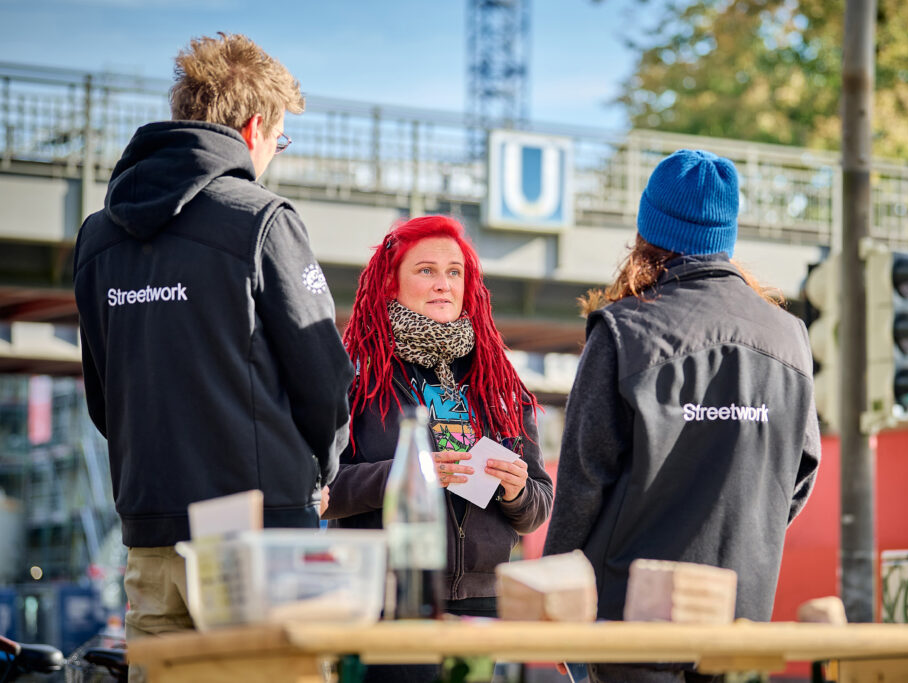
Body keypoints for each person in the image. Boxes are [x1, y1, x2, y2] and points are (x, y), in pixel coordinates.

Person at [72, 33, 354, 677]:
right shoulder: (260, 220)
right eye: (280, 141)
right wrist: (318, 475)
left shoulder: (97, 237)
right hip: (258, 540)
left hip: (150, 534)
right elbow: (324, 376)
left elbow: (104, 398)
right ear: (256, 127)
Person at [543, 149, 821, 683]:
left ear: (650, 230)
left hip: (631, 623)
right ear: (726, 235)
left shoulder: (626, 331)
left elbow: (583, 480)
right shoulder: (790, 339)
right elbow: (799, 475)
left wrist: (560, 606)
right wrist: (741, 532)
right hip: (741, 618)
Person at [324, 214, 553, 682]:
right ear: (391, 283)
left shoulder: (498, 382)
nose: (443, 284)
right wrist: (411, 474)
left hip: (481, 605)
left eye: (454, 273)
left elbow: (538, 507)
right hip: (385, 598)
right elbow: (323, 489)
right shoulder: (354, 379)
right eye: (425, 270)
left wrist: (516, 491)